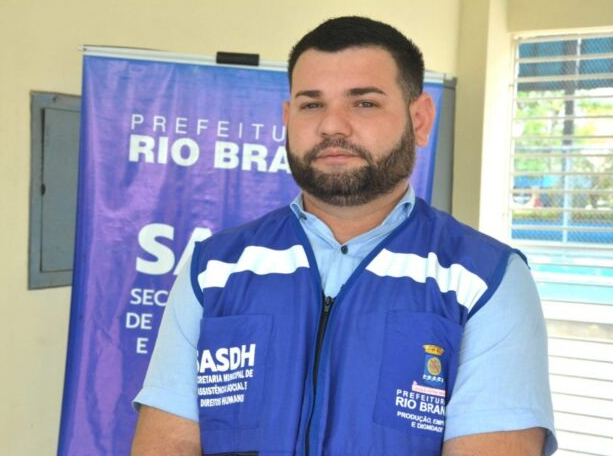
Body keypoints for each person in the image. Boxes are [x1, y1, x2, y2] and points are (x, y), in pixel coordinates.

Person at [131, 16, 557, 456]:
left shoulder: (485, 281)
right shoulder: (213, 269)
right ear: (287, 118)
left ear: (420, 120)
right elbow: (166, 444)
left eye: (364, 103)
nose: (332, 126)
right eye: (311, 105)